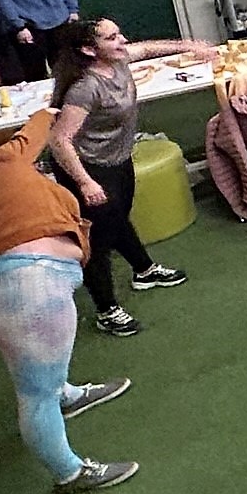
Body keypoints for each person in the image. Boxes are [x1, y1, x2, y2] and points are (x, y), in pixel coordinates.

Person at [0, 107, 136, 493]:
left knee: (33, 377)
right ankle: (70, 473)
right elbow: (27, 141)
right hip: (31, 288)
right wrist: (47, 113)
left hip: (3, 290)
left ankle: (67, 395)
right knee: (35, 395)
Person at [47, 17, 213, 338]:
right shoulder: (85, 88)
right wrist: (85, 182)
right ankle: (107, 310)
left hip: (117, 159)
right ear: (89, 50)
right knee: (98, 239)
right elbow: (59, 140)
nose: (122, 41)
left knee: (118, 219)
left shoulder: (119, 61)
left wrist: (189, 46)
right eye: (112, 38)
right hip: (86, 167)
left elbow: (149, 48)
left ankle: (144, 271)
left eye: (120, 33)